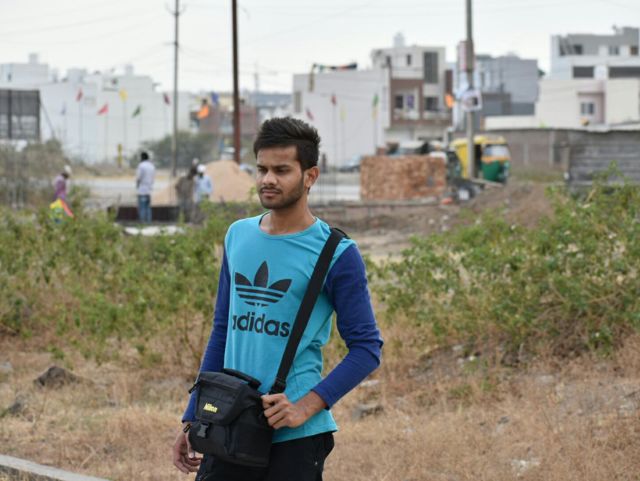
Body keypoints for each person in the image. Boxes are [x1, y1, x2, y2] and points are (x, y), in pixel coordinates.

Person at [172, 117, 383, 481]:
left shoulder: (336, 253)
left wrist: (306, 406)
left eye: (282, 170)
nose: (268, 179)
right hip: (229, 420)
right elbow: (222, 329)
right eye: (262, 169)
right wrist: (194, 416)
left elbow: (366, 348)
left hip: (294, 438)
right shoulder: (238, 235)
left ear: (310, 176)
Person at [135, 151, 155, 223]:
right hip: (149, 190)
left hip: (142, 189)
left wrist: (137, 185)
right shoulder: (152, 166)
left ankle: (142, 222)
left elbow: (138, 177)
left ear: (142, 157)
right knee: (148, 207)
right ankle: (149, 222)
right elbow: (153, 178)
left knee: (142, 207)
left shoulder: (141, 166)